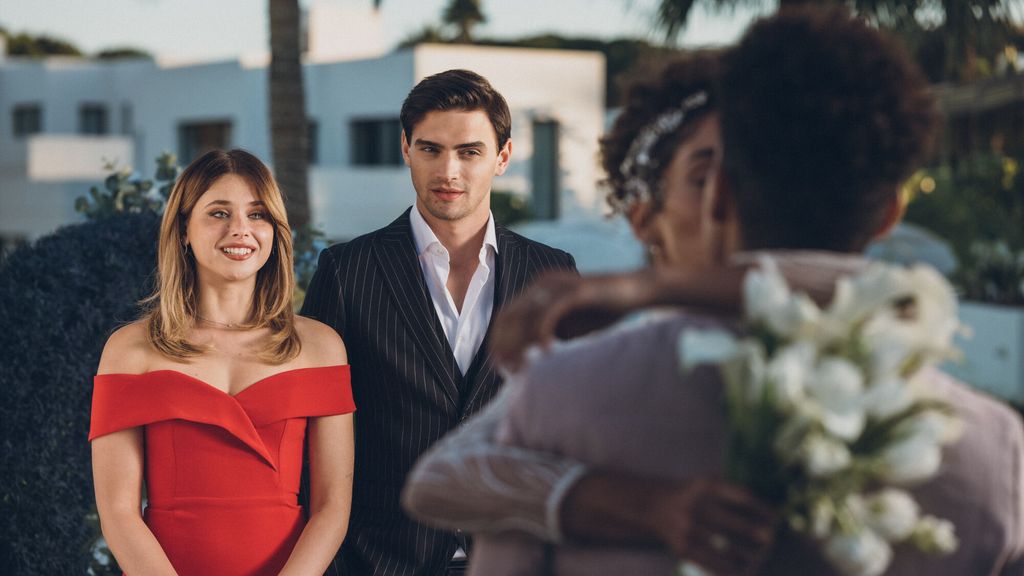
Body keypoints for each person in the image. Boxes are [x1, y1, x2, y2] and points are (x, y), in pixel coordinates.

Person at [405, 8, 1024, 576]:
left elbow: (442, 484)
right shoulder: (995, 450)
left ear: (722, 193)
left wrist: (654, 289)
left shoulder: (564, 397)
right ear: (890, 213)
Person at [300, 69, 577, 576]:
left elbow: (569, 427)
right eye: (431, 149)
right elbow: (307, 431)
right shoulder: (346, 271)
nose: (448, 170)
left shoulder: (552, 274)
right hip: (381, 561)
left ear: (502, 157)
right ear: (406, 149)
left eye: (469, 152)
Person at [89, 149, 356, 576]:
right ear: (183, 230)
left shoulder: (321, 347)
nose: (240, 230)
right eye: (218, 213)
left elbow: (332, 509)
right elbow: (118, 513)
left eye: (257, 214)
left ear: (275, 231)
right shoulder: (128, 351)